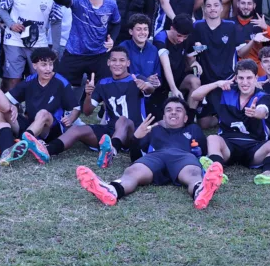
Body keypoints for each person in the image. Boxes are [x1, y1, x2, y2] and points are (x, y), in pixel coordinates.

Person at [76, 98, 224, 209]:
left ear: (185, 117)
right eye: (169, 110)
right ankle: (113, 190)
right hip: (156, 156)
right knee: (133, 171)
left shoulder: (193, 129)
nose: (173, 112)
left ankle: (200, 191)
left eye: (178, 110)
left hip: (183, 157)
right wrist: (136, 138)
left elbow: (202, 152)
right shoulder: (154, 130)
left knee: (193, 173)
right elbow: (135, 157)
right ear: (164, 117)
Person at [27, 47, 155, 167]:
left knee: (122, 120)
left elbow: (150, 89)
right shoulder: (103, 83)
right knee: (77, 129)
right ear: (108, 62)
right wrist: (88, 94)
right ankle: (46, 151)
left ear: (128, 63)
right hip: (110, 130)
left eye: (121, 60)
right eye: (114, 60)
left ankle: (112, 151)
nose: (117, 64)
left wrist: (147, 86)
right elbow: (88, 111)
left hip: (133, 132)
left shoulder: (136, 79)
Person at [189, 60, 270, 185]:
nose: (245, 82)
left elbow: (263, 110)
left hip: (254, 146)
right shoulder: (226, 91)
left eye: (249, 78)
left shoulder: (262, 96)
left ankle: (268, 173)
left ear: (256, 78)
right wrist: (217, 83)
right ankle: (216, 172)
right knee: (213, 138)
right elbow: (195, 96)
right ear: (236, 78)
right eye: (241, 78)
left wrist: (255, 113)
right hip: (228, 144)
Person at [188, 0, 255, 128]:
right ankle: (193, 121)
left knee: (235, 115)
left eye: (216, 5)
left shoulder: (230, 26)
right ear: (204, 9)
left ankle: (223, 116)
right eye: (209, 6)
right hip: (206, 80)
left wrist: (253, 41)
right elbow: (190, 52)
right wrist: (192, 62)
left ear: (221, 8)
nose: (212, 9)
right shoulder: (197, 27)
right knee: (203, 123)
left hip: (227, 79)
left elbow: (240, 51)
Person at [53, 0, 120, 90]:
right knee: (60, 87)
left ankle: (102, 109)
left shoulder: (111, 3)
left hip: (99, 54)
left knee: (106, 88)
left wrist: (112, 40)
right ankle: (69, 109)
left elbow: (117, 23)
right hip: (74, 52)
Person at [0, 48, 78, 144]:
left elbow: (76, 108)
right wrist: (12, 106)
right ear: (34, 65)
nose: (48, 69)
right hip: (31, 124)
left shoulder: (61, 82)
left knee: (43, 113)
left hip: (51, 129)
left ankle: (25, 142)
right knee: (1, 108)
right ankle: (3, 140)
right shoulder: (29, 81)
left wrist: (71, 118)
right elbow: (5, 99)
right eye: (44, 65)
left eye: (50, 64)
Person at [151, 14, 201, 119]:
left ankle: (189, 119)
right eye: (179, 35)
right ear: (172, 28)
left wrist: (194, 63)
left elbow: (190, 56)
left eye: (185, 37)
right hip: (161, 82)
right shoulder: (160, 38)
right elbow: (166, 64)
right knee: (160, 119)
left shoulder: (187, 37)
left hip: (179, 77)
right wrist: (173, 89)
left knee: (195, 81)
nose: (181, 40)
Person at [234, 0, 270, 75]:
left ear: (254, 5)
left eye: (249, 4)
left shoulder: (260, 23)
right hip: (235, 69)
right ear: (237, 4)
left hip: (257, 70)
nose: (246, 7)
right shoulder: (229, 23)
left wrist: (266, 28)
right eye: (243, 3)